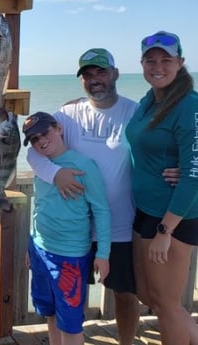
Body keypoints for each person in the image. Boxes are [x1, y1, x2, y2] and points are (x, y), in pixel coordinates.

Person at [26, 48, 141, 345]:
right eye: (87, 75)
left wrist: (175, 170)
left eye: (101, 72)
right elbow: (34, 151)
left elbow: (157, 150)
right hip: (72, 231)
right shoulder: (67, 114)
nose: (95, 79)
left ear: (115, 73)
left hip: (118, 225)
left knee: (124, 293)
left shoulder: (134, 112)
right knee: (64, 298)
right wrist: (55, 175)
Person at [126, 31, 198, 345]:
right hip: (146, 209)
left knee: (167, 304)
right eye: (150, 60)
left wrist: (165, 231)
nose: (158, 66)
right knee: (148, 294)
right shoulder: (150, 100)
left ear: (180, 63)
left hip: (173, 218)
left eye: (166, 60)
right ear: (142, 63)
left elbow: (194, 176)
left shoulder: (188, 105)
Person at [24, 111, 111, 345]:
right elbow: (39, 206)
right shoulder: (41, 165)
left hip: (71, 257)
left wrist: (103, 254)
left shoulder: (84, 165)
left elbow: (101, 210)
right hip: (40, 250)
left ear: (59, 128)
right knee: (50, 313)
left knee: (71, 324)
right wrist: (31, 244)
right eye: (34, 139)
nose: (41, 140)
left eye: (45, 132)